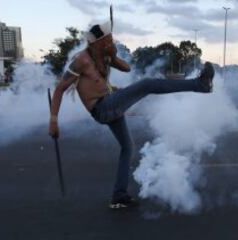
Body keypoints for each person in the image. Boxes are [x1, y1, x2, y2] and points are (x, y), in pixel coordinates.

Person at [49, 21, 215, 209]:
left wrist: (113, 56)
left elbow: (126, 68)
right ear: (100, 41)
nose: (112, 40)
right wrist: (54, 121)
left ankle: (118, 196)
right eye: (109, 39)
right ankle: (199, 85)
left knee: (128, 148)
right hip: (103, 108)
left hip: (110, 103)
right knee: (147, 84)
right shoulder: (82, 60)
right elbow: (59, 90)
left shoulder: (104, 56)